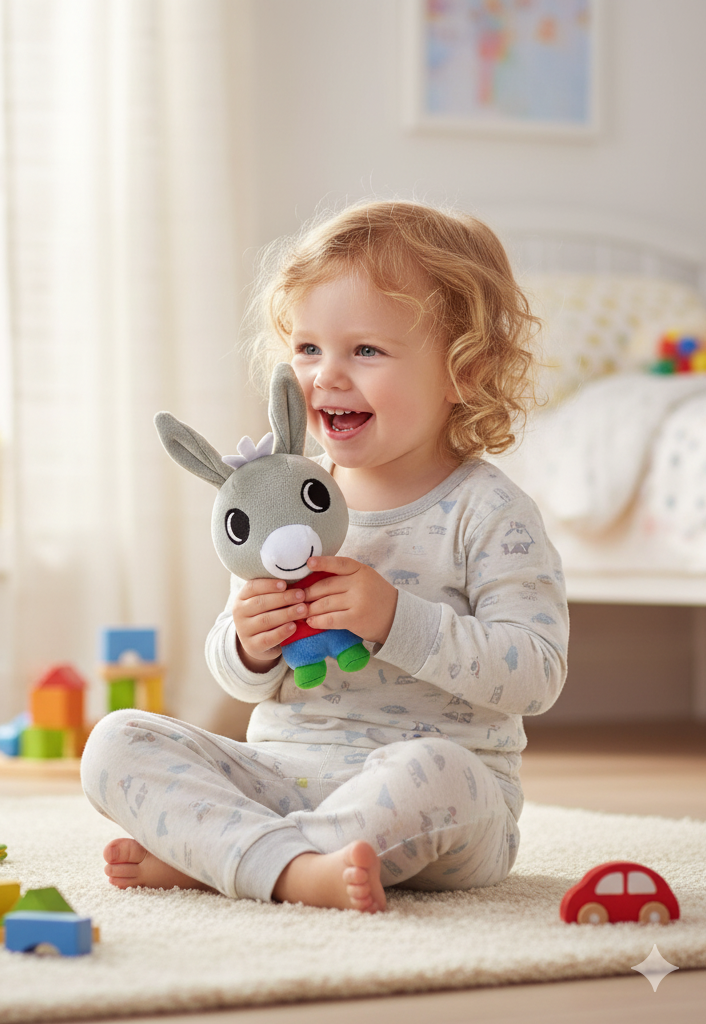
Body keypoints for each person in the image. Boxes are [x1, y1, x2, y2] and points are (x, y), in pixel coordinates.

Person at [79, 200, 569, 913]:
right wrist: (248, 645)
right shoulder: (289, 499)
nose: (325, 377)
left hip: (436, 802)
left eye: (364, 350)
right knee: (115, 742)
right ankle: (284, 862)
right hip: (286, 775)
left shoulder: (489, 513)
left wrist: (395, 619)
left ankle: (231, 856)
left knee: (434, 770)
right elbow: (243, 682)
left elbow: (537, 674)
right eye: (307, 350)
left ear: (466, 369)